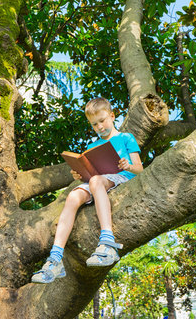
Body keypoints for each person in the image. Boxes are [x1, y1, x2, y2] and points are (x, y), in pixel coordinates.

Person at [31, 97, 143, 284]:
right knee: (73, 196)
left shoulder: (125, 138)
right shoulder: (92, 146)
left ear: (112, 116)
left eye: (102, 121)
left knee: (97, 181)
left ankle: (108, 242)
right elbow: (91, 176)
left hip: (122, 177)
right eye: (94, 124)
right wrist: (79, 174)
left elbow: (140, 168)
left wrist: (128, 166)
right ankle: (55, 258)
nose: (99, 127)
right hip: (97, 181)